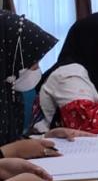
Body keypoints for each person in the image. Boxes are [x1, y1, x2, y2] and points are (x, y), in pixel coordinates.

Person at [0, 11, 93, 160]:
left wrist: (46, 136)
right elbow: (10, 149)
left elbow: (11, 141)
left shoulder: (9, 92)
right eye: (32, 62)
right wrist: (15, 151)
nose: (37, 68)